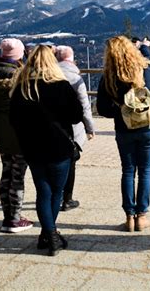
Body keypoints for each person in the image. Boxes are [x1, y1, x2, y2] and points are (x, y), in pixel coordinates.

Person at [10, 45, 83, 256]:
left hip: (32, 148)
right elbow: (76, 116)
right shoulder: (61, 86)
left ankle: (47, 234)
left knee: (43, 191)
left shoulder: (22, 88)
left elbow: (14, 120)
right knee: (57, 192)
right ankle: (50, 235)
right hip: (59, 147)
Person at [97, 36, 150, 232]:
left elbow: (103, 109)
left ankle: (129, 217)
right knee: (146, 171)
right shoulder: (145, 69)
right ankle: (142, 216)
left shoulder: (108, 76)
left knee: (128, 171)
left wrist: (121, 111)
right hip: (148, 126)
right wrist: (145, 48)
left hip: (124, 129)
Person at [0, 38, 33, 233]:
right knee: (18, 175)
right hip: (20, 129)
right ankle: (15, 219)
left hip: (0, 128)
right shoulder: (20, 74)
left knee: (6, 172)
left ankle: (7, 216)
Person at [55, 45, 95, 211]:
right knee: (70, 162)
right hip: (72, 127)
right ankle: (67, 199)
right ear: (71, 59)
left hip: (51, 126)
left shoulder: (49, 74)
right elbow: (85, 105)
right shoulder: (75, 77)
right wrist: (90, 128)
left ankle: (54, 196)